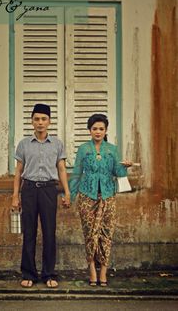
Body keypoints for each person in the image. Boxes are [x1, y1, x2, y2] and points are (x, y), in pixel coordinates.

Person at [12, 103, 70, 288]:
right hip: (28, 190)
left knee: (49, 232)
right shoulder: (23, 144)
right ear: (32, 121)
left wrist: (67, 192)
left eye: (43, 119)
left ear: (49, 122)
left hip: (48, 190)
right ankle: (28, 273)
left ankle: (49, 274)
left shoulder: (57, 144)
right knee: (29, 232)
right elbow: (18, 171)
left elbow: (61, 169)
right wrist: (15, 196)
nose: (40, 122)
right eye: (36, 119)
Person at [69, 113, 131, 287]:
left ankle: (103, 270)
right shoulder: (83, 149)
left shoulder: (112, 149)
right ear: (89, 130)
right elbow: (76, 173)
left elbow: (118, 173)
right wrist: (71, 196)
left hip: (108, 196)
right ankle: (91, 270)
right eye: (94, 128)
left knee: (106, 233)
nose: (98, 132)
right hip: (86, 196)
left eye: (101, 129)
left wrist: (124, 167)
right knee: (90, 234)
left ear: (105, 131)